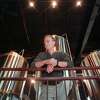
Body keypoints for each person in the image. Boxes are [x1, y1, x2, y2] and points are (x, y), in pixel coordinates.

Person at [31, 34, 71, 100]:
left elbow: (70, 64)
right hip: (46, 86)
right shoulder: (41, 55)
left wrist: (56, 63)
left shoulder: (61, 54)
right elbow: (33, 65)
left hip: (60, 86)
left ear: (53, 42)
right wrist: (47, 61)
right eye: (44, 43)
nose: (45, 44)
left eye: (47, 41)